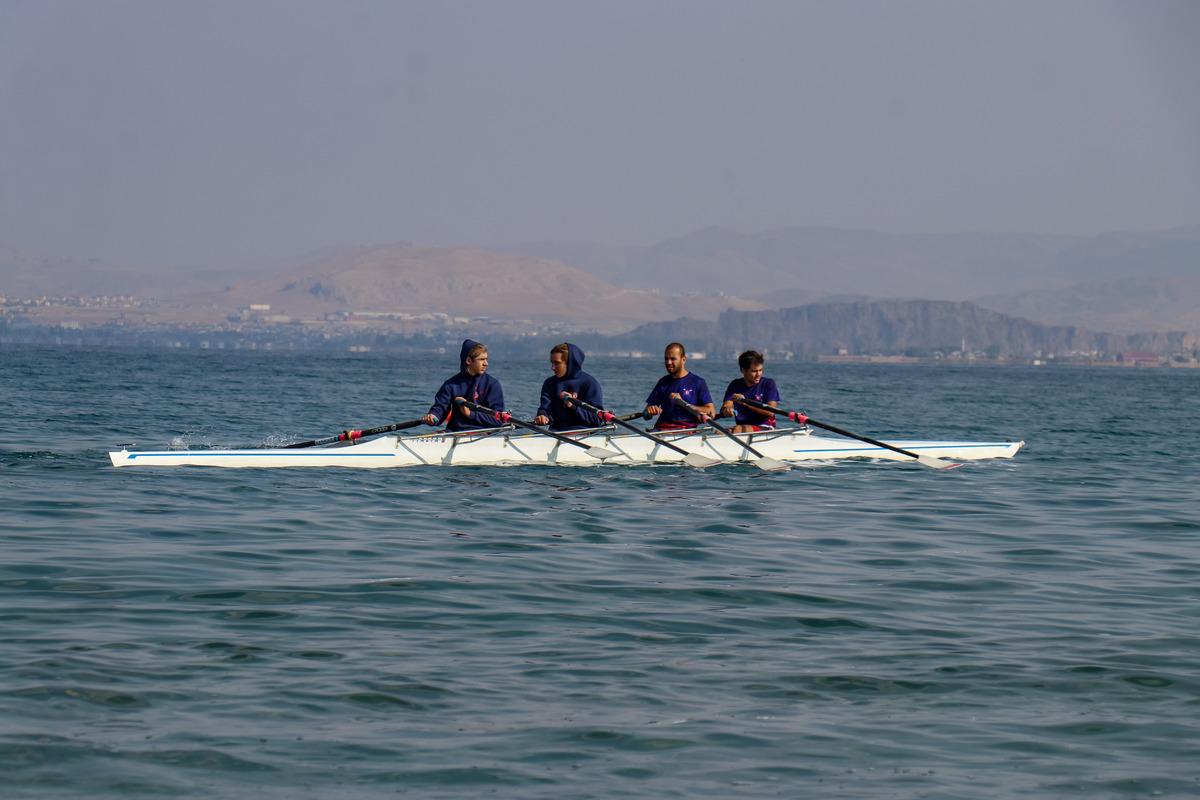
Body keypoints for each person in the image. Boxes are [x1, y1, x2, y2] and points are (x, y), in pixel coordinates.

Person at [423, 339, 505, 431]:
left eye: (486, 359)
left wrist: (470, 414)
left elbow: (499, 420)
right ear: (469, 360)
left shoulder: (492, 384)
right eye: (482, 359)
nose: (486, 363)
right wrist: (433, 417)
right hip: (455, 433)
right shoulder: (451, 385)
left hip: (484, 434)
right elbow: (441, 407)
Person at [643, 342, 715, 430]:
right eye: (666, 359)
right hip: (660, 431)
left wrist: (683, 403)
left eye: (673, 359)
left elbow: (711, 412)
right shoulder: (663, 382)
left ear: (683, 359)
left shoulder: (698, 382)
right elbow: (646, 416)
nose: (668, 362)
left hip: (686, 432)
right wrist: (650, 411)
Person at [534, 342, 605, 430]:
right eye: (552, 363)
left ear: (570, 363)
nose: (552, 367)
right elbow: (544, 408)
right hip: (556, 433)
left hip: (583, 433)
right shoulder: (549, 383)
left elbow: (597, 419)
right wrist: (542, 415)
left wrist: (573, 406)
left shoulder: (590, 384)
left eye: (557, 363)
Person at [721, 349, 781, 433]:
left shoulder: (768, 383)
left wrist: (745, 402)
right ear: (743, 370)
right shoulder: (735, 384)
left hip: (765, 427)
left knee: (738, 429)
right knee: (719, 432)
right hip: (742, 427)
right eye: (754, 371)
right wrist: (727, 410)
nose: (758, 374)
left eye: (760, 370)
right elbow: (726, 406)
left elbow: (770, 411)